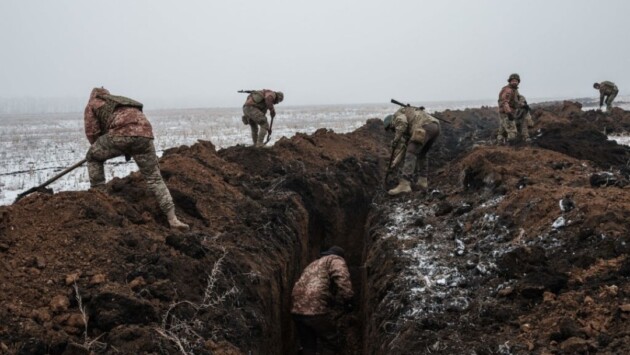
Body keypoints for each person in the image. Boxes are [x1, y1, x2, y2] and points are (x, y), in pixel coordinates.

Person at [84, 87, 189, 230]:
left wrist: (98, 148)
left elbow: (92, 132)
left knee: (92, 157)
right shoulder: (119, 101)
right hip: (145, 135)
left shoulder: (93, 103)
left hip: (120, 134)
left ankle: (100, 198)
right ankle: (173, 219)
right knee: (154, 178)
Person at [291, 246, 354, 355]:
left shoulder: (313, 264)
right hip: (315, 309)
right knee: (332, 342)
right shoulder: (335, 259)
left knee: (308, 347)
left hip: (297, 309)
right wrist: (349, 299)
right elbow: (342, 278)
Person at [384, 106, 441, 195]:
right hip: (435, 128)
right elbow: (406, 147)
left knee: (411, 153)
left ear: (391, 123)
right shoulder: (409, 123)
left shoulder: (397, 117)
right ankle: (423, 181)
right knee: (422, 154)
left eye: (391, 129)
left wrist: (396, 140)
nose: (393, 130)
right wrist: (395, 162)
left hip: (423, 126)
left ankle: (405, 184)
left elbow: (402, 123)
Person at [497, 73, 525, 145]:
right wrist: (509, 113)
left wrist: (523, 105)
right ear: (510, 81)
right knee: (512, 132)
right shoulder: (508, 90)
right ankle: (510, 147)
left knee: (502, 131)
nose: (515, 82)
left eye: (516, 81)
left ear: (518, 82)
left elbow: (515, 101)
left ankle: (499, 145)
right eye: (513, 81)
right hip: (507, 114)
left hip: (505, 113)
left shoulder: (514, 90)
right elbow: (505, 102)